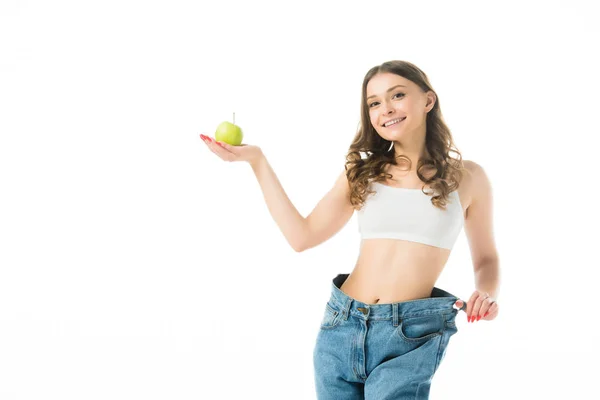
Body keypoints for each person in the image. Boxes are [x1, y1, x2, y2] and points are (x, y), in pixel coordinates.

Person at [200, 60, 500, 400]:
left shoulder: (469, 177)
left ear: (428, 100)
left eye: (397, 95)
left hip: (410, 336)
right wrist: (258, 162)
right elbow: (302, 237)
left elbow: (486, 258)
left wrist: (486, 292)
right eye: (374, 103)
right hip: (341, 327)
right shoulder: (363, 172)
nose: (385, 109)